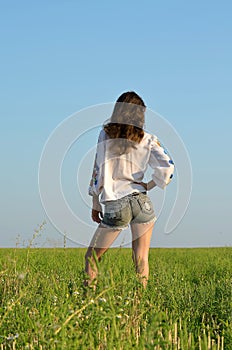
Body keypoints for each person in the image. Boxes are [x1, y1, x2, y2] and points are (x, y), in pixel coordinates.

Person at [85, 91, 174, 288]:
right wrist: (149, 185)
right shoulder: (149, 139)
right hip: (142, 202)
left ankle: (86, 304)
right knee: (141, 260)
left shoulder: (105, 135)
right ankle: (139, 306)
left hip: (117, 202)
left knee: (92, 258)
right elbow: (168, 166)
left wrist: (95, 201)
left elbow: (98, 169)